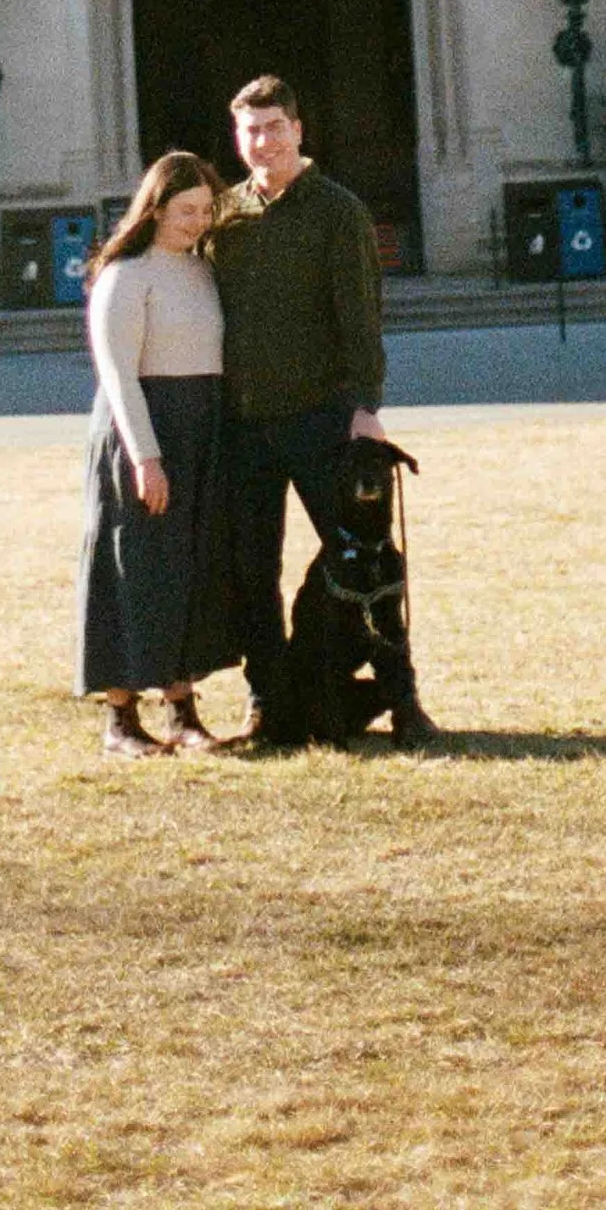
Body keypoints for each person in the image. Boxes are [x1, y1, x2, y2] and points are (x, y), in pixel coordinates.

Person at [211, 74, 432, 748]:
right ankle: (266, 698)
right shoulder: (224, 214)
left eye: (274, 126)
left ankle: (403, 699)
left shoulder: (338, 211)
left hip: (322, 418)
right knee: (254, 572)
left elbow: (362, 318)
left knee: (365, 559)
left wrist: (366, 405)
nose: (262, 141)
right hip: (245, 427)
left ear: (299, 130)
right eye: (250, 129)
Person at [77, 150, 233, 761]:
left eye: (204, 211)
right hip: (140, 436)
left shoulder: (201, 270)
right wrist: (146, 457)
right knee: (131, 569)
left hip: (200, 432)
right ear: (155, 208)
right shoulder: (125, 274)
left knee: (185, 569)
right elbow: (118, 377)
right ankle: (120, 718)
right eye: (184, 211)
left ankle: (182, 709)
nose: (196, 222)